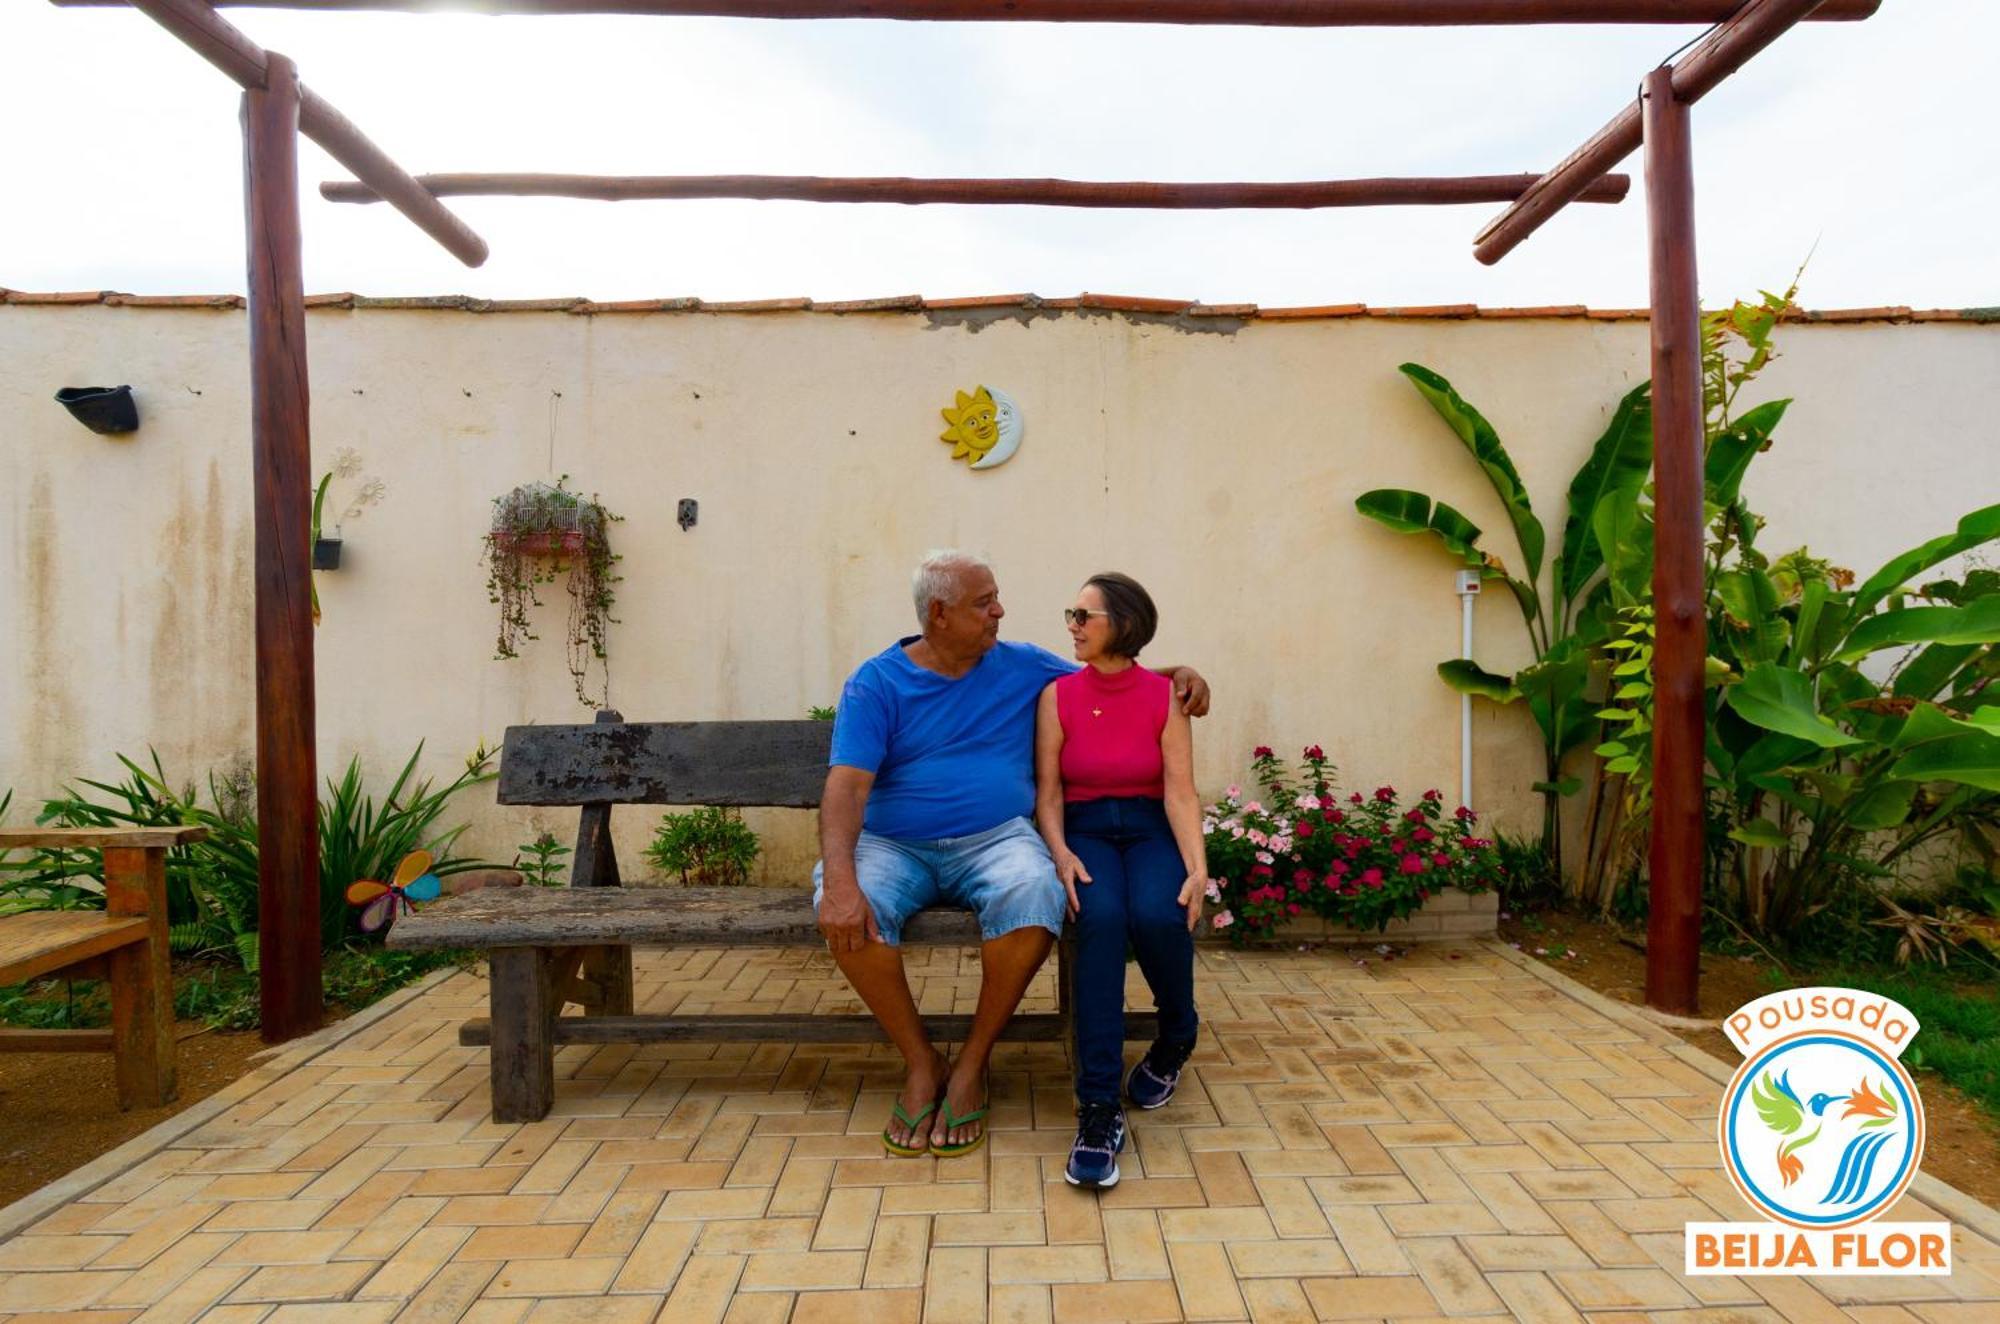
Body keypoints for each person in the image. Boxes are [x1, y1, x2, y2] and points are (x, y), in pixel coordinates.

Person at [816, 551, 1209, 1158]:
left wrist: (1179, 672)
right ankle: (921, 1063)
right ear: (939, 615)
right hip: (894, 843)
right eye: (984, 603)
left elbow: (1111, 676)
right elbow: (846, 786)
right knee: (848, 909)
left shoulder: (1021, 664)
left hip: (994, 838)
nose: (1001, 610)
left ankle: (972, 1064)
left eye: (996, 597)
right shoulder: (877, 682)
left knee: (1037, 892)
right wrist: (841, 880)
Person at [1034, 572, 1206, 1189]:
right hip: (1083, 828)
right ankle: (1098, 1108)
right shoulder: (1058, 695)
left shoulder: (1164, 696)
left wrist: (1198, 867)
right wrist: (1057, 851)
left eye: (1084, 616)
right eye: (1071, 614)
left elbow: (1181, 792)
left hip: (1148, 824)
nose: (1072, 626)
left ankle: (1176, 1037)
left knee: (1163, 912)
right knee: (1099, 919)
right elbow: (1048, 794)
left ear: (1123, 624)